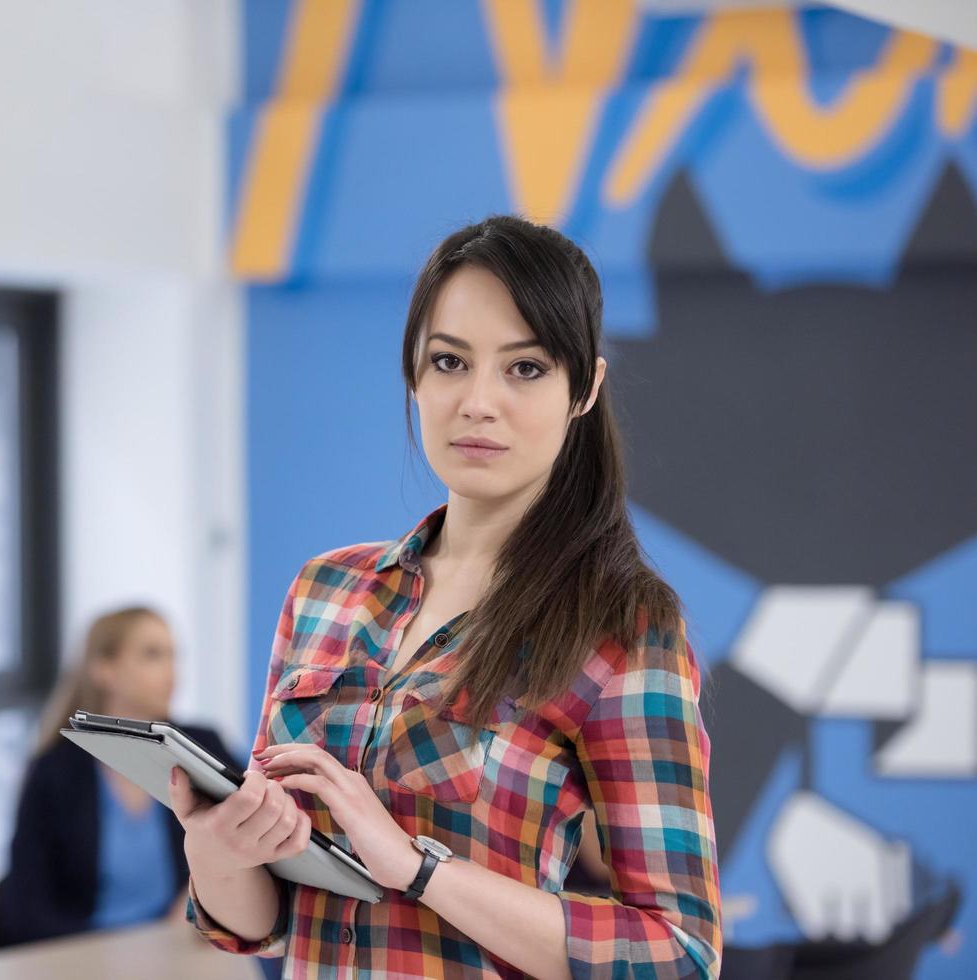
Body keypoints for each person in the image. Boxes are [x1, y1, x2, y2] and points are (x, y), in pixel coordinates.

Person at [168, 216, 722, 978]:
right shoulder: (325, 591)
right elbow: (258, 927)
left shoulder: (621, 626)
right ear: (413, 376)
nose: (477, 402)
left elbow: (681, 957)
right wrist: (213, 845)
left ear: (584, 388)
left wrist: (417, 869)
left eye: (524, 368)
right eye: (449, 362)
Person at [0, 606, 240, 957]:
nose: (172, 671)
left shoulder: (203, 748)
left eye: (173, 655)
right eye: (153, 655)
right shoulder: (54, 772)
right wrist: (106, 955)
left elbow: (249, 833)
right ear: (104, 670)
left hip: (180, 953)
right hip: (83, 957)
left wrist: (200, 894)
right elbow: (26, 905)